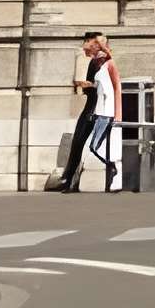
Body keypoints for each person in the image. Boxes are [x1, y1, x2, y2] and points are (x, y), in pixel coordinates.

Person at [56, 32, 106, 192]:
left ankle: (69, 180)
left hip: (96, 108)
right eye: (96, 42)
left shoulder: (102, 61)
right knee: (78, 142)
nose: (97, 46)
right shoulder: (91, 60)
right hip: (91, 106)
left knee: (83, 142)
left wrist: (92, 85)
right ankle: (69, 179)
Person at [86, 34, 124, 193]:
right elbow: (100, 89)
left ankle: (113, 166)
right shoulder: (99, 66)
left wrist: (117, 113)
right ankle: (112, 167)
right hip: (100, 111)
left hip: (107, 112)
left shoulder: (110, 64)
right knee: (94, 146)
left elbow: (116, 88)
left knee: (94, 146)